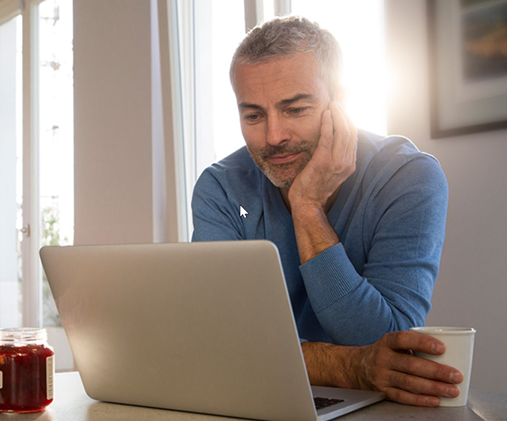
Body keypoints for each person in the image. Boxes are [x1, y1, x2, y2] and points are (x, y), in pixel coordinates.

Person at [191, 16, 460, 407]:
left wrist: (307, 208)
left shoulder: (409, 177)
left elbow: (386, 342)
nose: (273, 136)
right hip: (257, 401)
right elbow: (220, 342)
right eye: (253, 115)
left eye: (295, 109)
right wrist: (350, 366)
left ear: (341, 103)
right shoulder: (220, 187)